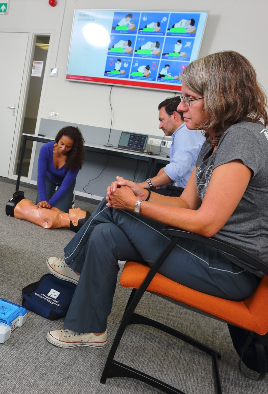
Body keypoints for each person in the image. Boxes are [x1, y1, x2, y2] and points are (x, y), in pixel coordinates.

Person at [44, 50, 267, 349]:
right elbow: (186, 204)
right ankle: (88, 328)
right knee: (105, 233)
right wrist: (143, 193)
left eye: (190, 99)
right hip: (206, 251)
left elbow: (207, 222)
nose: (182, 108)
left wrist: (133, 205)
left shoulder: (242, 139)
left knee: (116, 212)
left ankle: (74, 263)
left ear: (219, 98)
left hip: (227, 268)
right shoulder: (213, 140)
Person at [139, 97, 204, 192]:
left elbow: (177, 170)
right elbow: (184, 165)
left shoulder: (184, 133)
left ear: (174, 116)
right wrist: (164, 171)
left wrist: (145, 184)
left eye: (162, 120)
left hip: (184, 193)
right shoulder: (189, 132)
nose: (160, 126)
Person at [36, 126, 85, 213]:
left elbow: (65, 186)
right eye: (61, 143)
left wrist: (49, 204)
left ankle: (70, 198)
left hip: (65, 183)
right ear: (58, 139)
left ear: (73, 147)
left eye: (68, 146)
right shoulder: (46, 149)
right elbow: (41, 176)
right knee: (40, 207)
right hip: (49, 178)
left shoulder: (76, 158)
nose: (63, 149)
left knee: (59, 212)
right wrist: (43, 200)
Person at [6, 192, 89, 231]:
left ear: (75, 223)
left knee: (37, 210)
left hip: (15, 206)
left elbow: (34, 213)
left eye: (79, 212)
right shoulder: (59, 214)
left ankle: (18, 206)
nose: (78, 208)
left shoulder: (53, 220)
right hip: (21, 204)